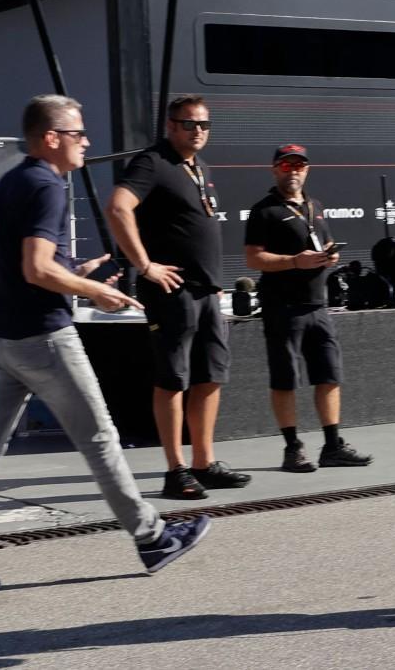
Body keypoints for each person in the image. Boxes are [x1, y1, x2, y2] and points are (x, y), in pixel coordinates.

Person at [0, 95, 210, 596]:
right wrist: (96, 291)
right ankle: (153, 538)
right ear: (51, 138)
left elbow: (31, 266)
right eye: (78, 134)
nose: (87, 142)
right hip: (44, 338)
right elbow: (37, 269)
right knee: (99, 439)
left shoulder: (14, 181)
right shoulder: (48, 186)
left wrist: (79, 270)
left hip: (4, 338)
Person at [106, 95, 250, 500]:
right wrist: (145, 265)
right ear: (170, 126)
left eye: (204, 124)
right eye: (189, 124)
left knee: (210, 377)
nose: (198, 131)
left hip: (206, 291)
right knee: (173, 379)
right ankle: (175, 470)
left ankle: (204, 463)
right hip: (172, 291)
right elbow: (118, 208)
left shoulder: (198, 167)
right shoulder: (153, 162)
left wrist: (215, 283)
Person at [244, 144, 373, 473]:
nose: (294, 171)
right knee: (286, 380)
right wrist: (294, 262)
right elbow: (253, 258)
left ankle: (332, 446)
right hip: (281, 307)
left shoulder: (315, 206)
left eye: (299, 165)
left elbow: (324, 246)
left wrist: (331, 257)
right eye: (286, 166)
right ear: (275, 170)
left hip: (318, 306)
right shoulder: (264, 210)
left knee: (329, 376)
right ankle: (292, 448)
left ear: (307, 170)